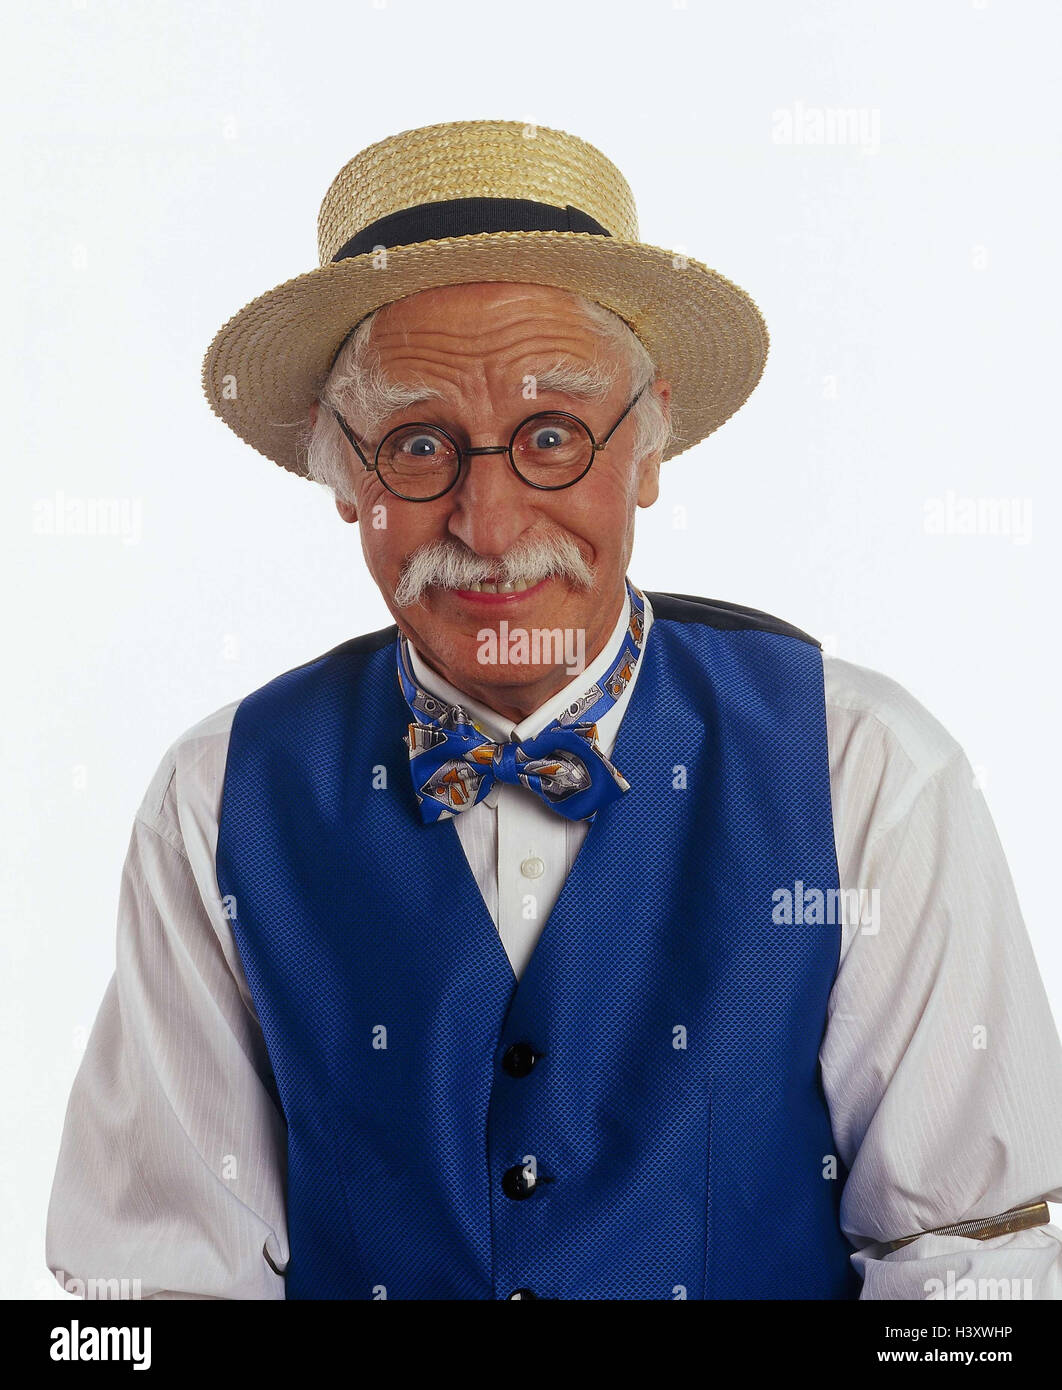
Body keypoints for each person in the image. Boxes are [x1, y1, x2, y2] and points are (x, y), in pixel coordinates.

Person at [46, 119, 1062, 1300]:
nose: (489, 523)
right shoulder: (215, 801)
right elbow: (160, 1283)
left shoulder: (867, 770)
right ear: (345, 478)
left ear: (648, 450)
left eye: (551, 436)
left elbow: (981, 1266)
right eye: (419, 444)